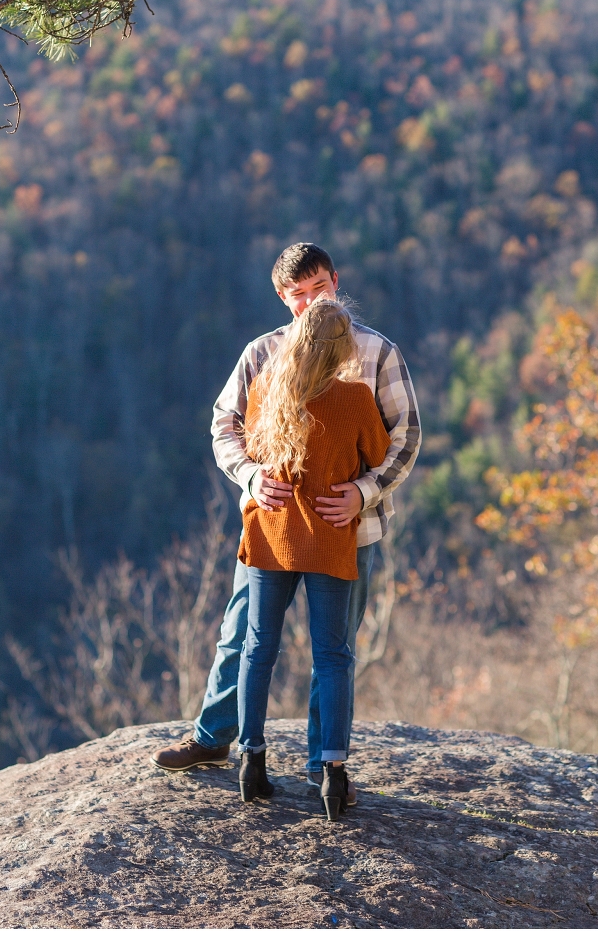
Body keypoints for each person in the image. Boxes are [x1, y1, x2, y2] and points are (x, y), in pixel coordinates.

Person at [152, 243, 421, 800]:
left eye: (318, 288)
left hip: (351, 528)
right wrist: (251, 477)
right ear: (282, 298)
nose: (310, 302)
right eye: (298, 294)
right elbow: (224, 425)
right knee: (242, 636)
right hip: (272, 527)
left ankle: (320, 766)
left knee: (333, 645)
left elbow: (406, 435)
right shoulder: (262, 354)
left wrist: (365, 492)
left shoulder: (375, 352)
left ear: (335, 282)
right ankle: (215, 736)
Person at [236, 298, 391, 818]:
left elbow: (248, 448)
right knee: (333, 655)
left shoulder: (266, 390)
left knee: (259, 647)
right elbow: (378, 450)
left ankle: (251, 760)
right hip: (329, 535)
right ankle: (332, 772)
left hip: (271, 535)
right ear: (343, 349)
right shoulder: (354, 398)